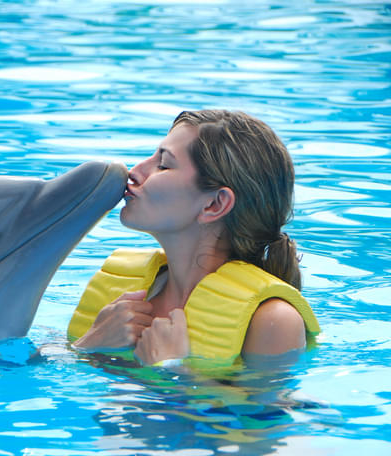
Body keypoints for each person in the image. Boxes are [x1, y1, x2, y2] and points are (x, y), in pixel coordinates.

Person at [69, 110, 319, 366]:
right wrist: (90, 343)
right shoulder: (123, 298)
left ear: (214, 204)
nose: (134, 171)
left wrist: (172, 369)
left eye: (164, 165)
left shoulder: (272, 320)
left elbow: (263, 407)